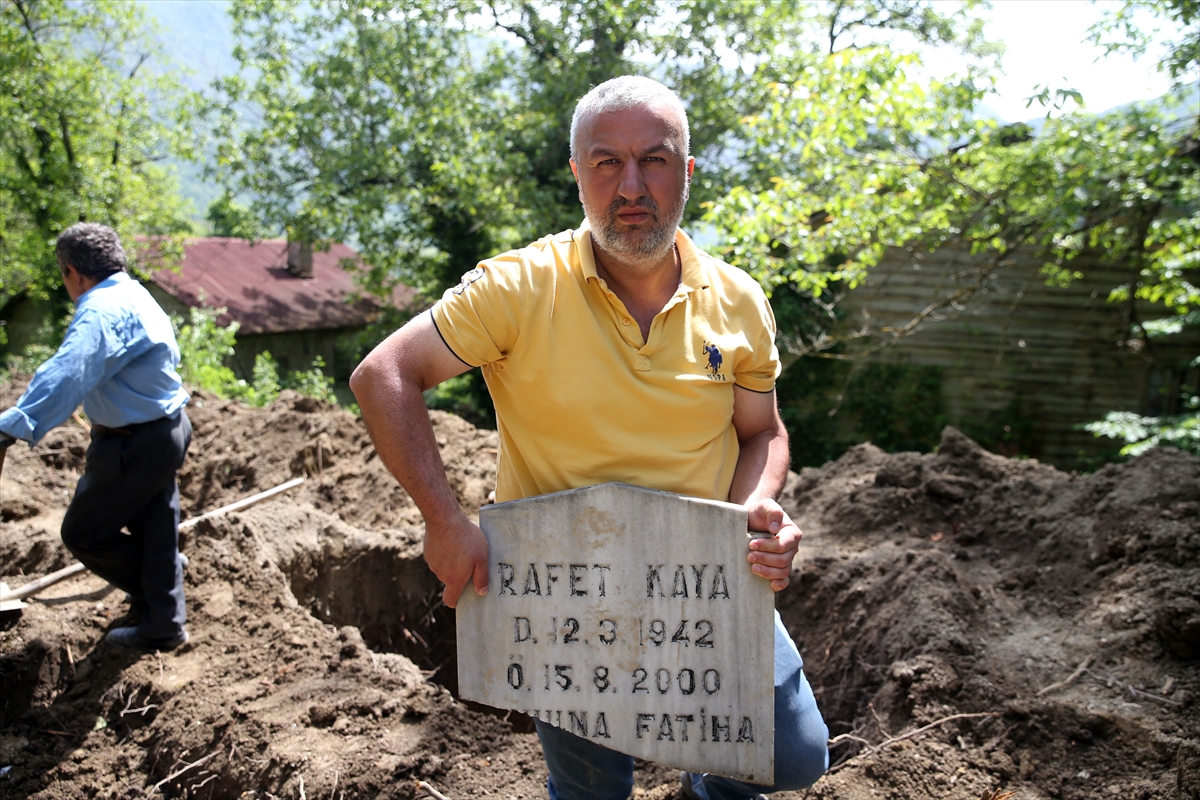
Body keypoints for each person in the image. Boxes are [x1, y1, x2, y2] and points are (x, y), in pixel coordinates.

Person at [350, 76, 828, 800]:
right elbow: (384, 373)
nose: (630, 185)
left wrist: (752, 511)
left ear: (686, 172)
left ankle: (709, 786)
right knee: (590, 791)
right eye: (606, 162)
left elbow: (763, 431)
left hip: (703, 580)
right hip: (565, 592)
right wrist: (444, 522)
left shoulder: (738, 300)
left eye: (655, 160)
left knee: (792, 756)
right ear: (577, 175)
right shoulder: (517, 288)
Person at [0, 223, 192, 651]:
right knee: (156, 526)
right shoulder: (136, 294)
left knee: (84, 532)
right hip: (168, 428)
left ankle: (156, 588)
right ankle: (163, 618)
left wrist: (12, 424)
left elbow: (69, 370)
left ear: (73, 271)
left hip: (133, 441)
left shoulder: (100, 309)